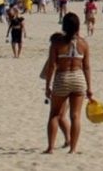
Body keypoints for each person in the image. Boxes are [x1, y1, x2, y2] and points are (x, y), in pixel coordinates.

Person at [41, 12, 94, 154]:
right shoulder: (83, 44)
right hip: (78, 78)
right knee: (75, 115)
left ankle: (51, 147)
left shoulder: (57, 43)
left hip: (62, 77)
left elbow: (52, 66)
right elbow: (87, 66)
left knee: (54, 114)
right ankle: (73, 148)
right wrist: (89, 88)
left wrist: (47, 86)